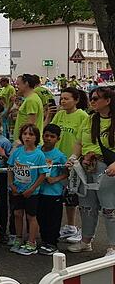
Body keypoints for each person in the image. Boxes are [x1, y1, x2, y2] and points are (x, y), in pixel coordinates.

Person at [66, 87, 115, 254]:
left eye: (96, 98)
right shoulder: (89, 119)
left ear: (108, 101)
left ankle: (113, 246)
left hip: (107, 168)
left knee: (109, 208)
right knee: (86, 206)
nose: (92, 101)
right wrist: (73, 157)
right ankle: (86, 240)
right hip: (86, 166)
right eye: (91, 98)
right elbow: (79, 142)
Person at [50, 87, 88, 242]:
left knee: (74, 196)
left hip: (73, 161)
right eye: (62, 98)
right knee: (62, 194)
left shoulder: (82, 116)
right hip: (58, 161)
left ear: (76, 100)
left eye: (66, 98)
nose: (63, 101)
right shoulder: (59, 115)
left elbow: (82, 140)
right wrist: (48, 115)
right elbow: (50, 131)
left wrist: (76, 158)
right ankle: (68, 226)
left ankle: (76, 227)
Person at [8, 124, 48, 256]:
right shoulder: (17, 152)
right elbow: (10, 169)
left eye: (31, 134)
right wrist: (11, 185)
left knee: (31, 216)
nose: (27, 137)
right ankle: (18, 238)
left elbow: (43, 174)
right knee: (17, 214)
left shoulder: (39, 155)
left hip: (32, 192)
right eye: (25, 134)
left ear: (36, 137)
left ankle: (31, 242)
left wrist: (32, 189)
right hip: (17, 190)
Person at [37, 124, 68, 255]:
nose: (48, 138)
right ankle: (44, 240)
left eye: (52, 136)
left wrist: (55, 179)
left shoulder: (59, 155)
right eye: (46, 135)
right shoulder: (37, 151)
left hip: (53, 192)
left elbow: (66, 172)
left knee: (53, 218)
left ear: (58, 139)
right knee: (41, 217)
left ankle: (52, 243)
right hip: (38, 190)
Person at [13, 74, 44, 143]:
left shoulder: (31, 100)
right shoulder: (31, 98)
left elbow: (31, 124)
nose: (16, 87)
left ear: (26, 84)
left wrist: (21, 140)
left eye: (18, 84)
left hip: (28, 143)